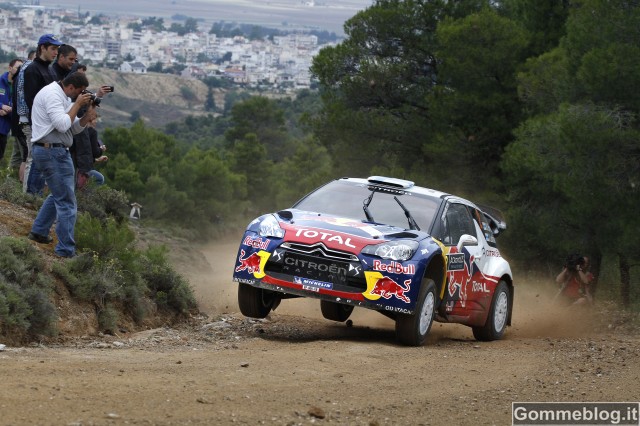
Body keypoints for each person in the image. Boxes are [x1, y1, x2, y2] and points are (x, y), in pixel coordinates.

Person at [27, 72, 97, 258]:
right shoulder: (53, 94)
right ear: (72, 87)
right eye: (79, 92)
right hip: (52, 152)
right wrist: (77, 105)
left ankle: (39, 231)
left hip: (56, 151)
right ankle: (65, 250)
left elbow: (72, 126)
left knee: (59, 195)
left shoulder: (62, 96)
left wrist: (85, 117)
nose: (79, 96)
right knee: (67, 202)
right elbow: (61, 124)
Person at [19, 34, 63, 194]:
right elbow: (32, 100)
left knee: (42, 163)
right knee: (34, 160)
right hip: (37, 125)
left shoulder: (49, 70)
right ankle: (28, 198)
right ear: (42, 48)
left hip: (48, 125)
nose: (55, 52)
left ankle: (34, 196)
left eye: (57, 49)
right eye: (53, 49)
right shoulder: (32, 69)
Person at [0, 59, 22, 162]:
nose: (20, 70)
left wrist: (10, 110)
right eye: (18, 68)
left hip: (5, 129)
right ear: (10, 68)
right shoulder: (1, 81)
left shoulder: (20, 86)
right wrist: (1, 106)